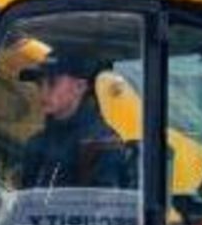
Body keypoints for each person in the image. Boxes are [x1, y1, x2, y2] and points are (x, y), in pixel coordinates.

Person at [17, 50, 129, 191]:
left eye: (52, 82)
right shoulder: (36, 143)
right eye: (39, 83)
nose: (43, 91)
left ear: (80, 87)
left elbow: (104, 207)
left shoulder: (100, 143)